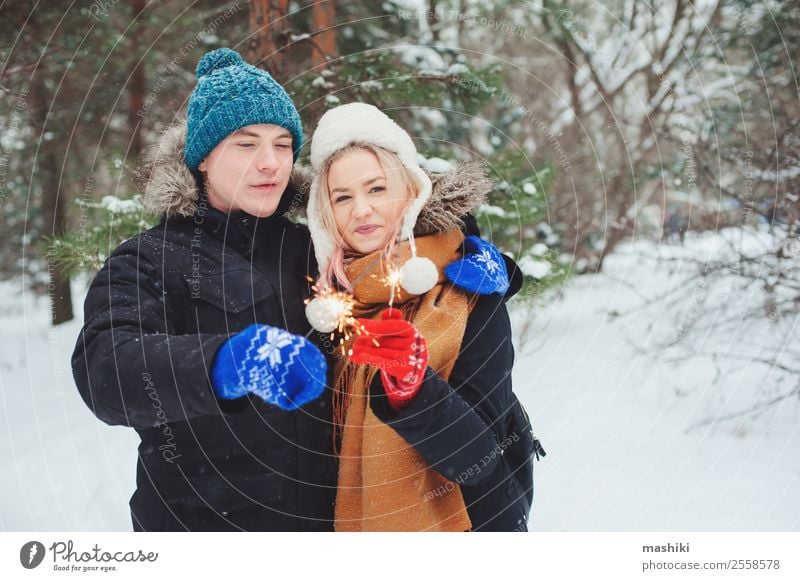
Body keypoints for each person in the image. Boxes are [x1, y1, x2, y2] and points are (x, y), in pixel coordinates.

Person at [71, 48, 336, 531]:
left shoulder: (314, 247)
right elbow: (104, 369)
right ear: (204, 159)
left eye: (282, 145)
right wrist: (223, 363)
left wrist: (461, 246)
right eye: (246, 144)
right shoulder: (147, 258)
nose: (270, 163)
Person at [305, 103, 542, 531]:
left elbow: (480, 459)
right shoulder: (326, 305)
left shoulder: (468, 291)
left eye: (376, 189)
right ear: (324, 215)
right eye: (343, 197)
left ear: (408, 190)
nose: (361, 209)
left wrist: (413, 391)